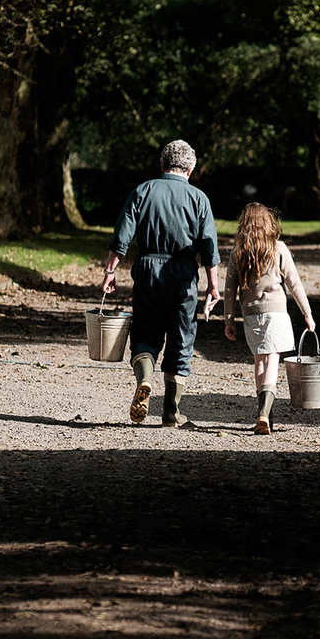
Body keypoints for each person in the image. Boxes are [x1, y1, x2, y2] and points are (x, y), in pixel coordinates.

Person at [102, 140, 221, 429]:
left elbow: (122, 237)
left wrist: (109, 271)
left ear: (162, 165)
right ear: (190, 170)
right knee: (182, 341)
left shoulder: (142, 191)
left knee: (145, 334)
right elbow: (209, 248)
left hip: (147, 271)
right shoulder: (198, 198)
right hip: (182, 275)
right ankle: (171, 413)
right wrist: (213, 287)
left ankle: (144, 379)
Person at [223, 202, 316, 435]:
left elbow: (229, 290)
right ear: (269, 222)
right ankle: (265, 413)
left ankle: (264, 414)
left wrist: (228, 320)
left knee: (259, 362)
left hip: (251, 314)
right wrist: (307, 313)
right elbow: (294, 284)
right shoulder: (279, 248)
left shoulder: (238, 252)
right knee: (273, 359)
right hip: (276, 313)